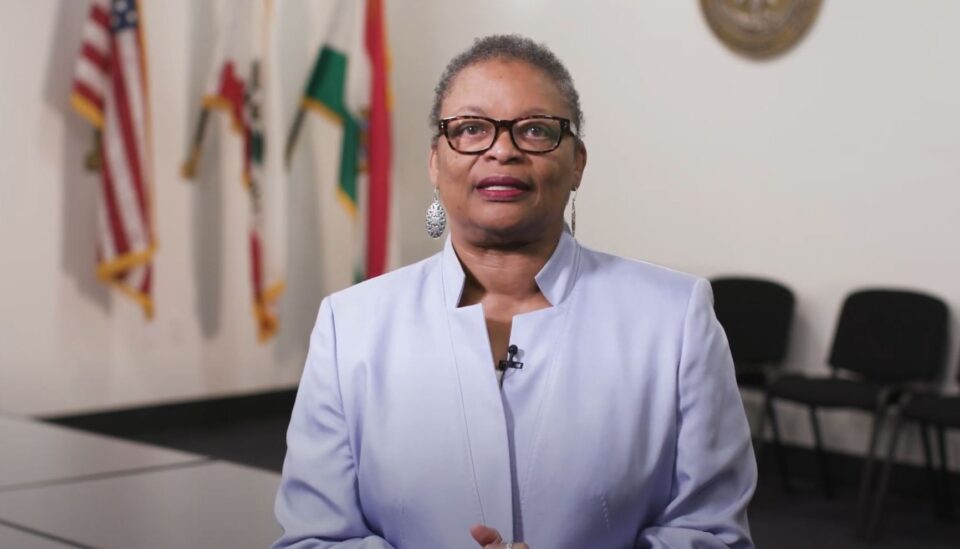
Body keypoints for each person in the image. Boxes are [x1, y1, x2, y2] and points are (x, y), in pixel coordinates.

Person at [274, 34, 756, 549]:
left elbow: (714, 536)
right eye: (471, 129)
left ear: (577, 163)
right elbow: (313, 540)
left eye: (534, 129)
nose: (502, 150)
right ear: (435, 161)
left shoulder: (674, 318)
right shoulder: (350, 325)